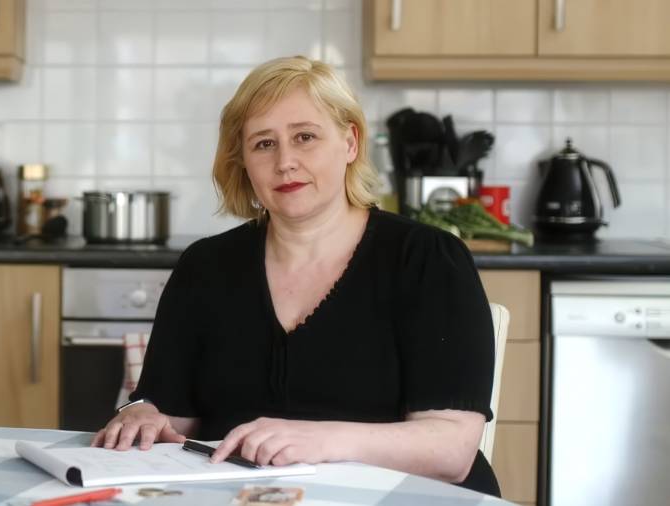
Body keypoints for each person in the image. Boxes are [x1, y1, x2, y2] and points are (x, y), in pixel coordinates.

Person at [91, 56, 499, 496]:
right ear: (244, 162)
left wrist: (320, 440)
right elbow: (171, 416)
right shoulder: (204, 267)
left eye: (305, 137)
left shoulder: (428, 260)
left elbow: (451, 450)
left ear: (350, 143)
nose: (285, 161)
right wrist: (145, 415)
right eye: (264, 144)